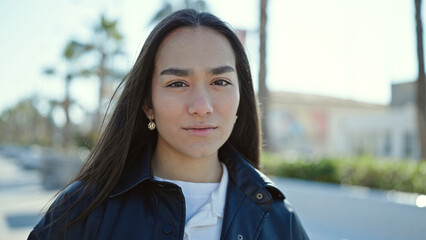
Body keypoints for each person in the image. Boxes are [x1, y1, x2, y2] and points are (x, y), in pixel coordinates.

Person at [28, 9, 309, 240]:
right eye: (177, 83)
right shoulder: (84, 210)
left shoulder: (280, 220)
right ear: (147, 104)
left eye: (220, 82)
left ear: (241, 98)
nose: (202, 106)